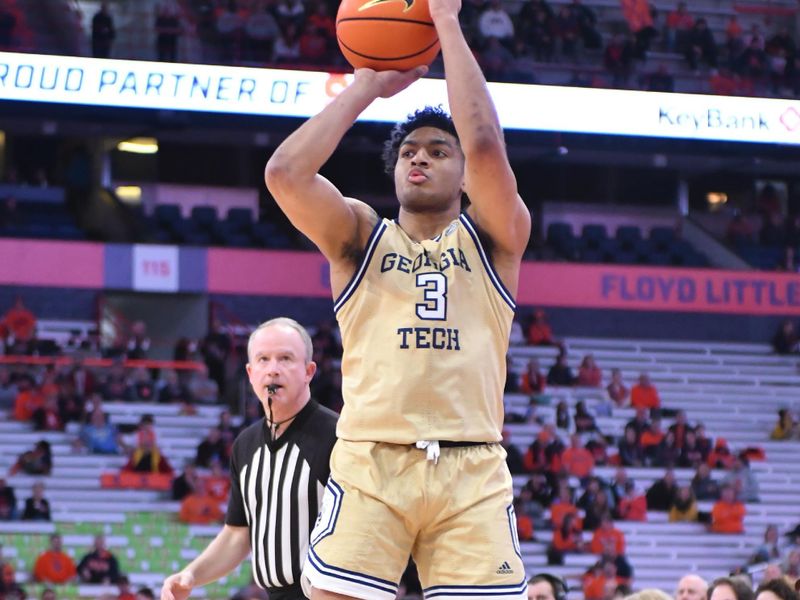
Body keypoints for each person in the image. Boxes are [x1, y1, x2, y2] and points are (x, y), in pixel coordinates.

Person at [264, 0, 531, 593]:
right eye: (410, 151)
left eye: (438, 151)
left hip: (472, 465)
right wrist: (365, 86)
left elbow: (485, 144)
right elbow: (284, 174)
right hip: (371, 461)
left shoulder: (495, 238)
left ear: (464, 177)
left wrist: (446, 22)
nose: (419, 157)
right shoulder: (359, 236)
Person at [161, 318, 338, 600]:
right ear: (250, 372)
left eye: (285, 358)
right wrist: (191, 574)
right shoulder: (245, 445)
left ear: (309, 371)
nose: (273, 370)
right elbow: (236, 535)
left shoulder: (338, 436)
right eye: (263, 360)